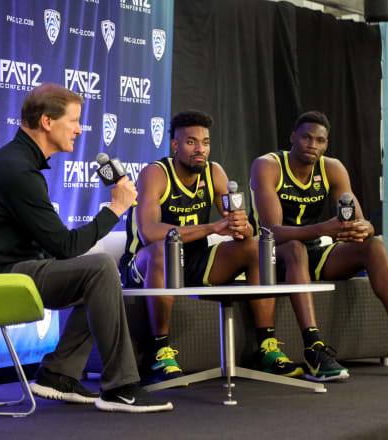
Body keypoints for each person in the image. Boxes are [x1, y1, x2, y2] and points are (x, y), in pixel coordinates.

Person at [0, 83, 172, 413]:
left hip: (9, 270)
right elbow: (65, 246)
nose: (79, 129)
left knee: (96, 276)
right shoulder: (18, 171)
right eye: (73, 120)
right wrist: (114, 209)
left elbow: (56, 248)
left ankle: (58, 373)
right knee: (98, 268)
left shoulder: (19, 163)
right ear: (47, 122)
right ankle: (122, 386)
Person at [249, 110, 388, 380]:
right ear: (293, 137)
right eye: (306, 138)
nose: (312, 145)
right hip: (270, 255)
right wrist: (323, 228)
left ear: (326, 144)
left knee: (374, 246)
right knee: (295, 248)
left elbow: (358, 218)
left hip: (312, 251)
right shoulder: (267, 165)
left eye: (320, 140)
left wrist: (365, 227)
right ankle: (314, 349)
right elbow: (270, 231)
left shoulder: (332, 167)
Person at [118, 110, 303, 383]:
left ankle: (266, 347)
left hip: (194, 261)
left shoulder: (215, 172)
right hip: (145, 265)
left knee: (253, 247)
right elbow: (149, 234)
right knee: (162, 250)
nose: (200, 149)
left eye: (205, 142)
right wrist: (211, 228)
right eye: (191, 142)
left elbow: (247, 228)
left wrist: (241, 226)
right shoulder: (155, 174)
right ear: (175, 145)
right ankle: (160, 352)